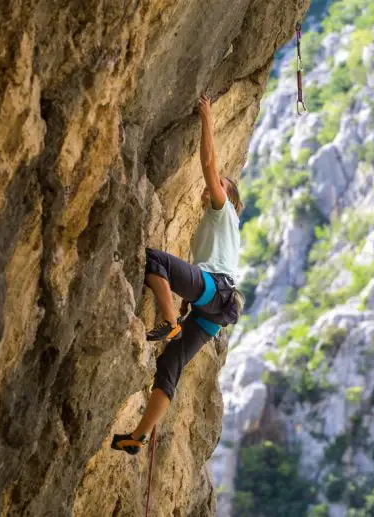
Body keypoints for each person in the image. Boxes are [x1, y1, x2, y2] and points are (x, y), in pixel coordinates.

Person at [111, 94, 244, 454]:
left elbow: (208, 163)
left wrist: (206, 117)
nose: (213, 186)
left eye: (221, 185)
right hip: (215, 309)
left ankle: (169, 322)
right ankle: (136, 436)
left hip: (215, 292)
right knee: (170, 364)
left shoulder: (222, 212)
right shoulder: (218, 228)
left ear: (228, 196)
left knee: (155, 260)